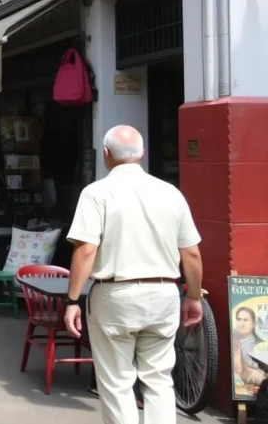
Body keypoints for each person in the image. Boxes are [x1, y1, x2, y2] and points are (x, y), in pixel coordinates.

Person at [64, 125, 204, 424]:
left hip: (115, 296)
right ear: (142, 153)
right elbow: (191, 253)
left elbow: (86, 251)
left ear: (106, 155)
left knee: (117, 382)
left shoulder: (96, 193)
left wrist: (72, 300)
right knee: (159, 379)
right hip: (165, 294)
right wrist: (193, 296)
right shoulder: (171, 194)